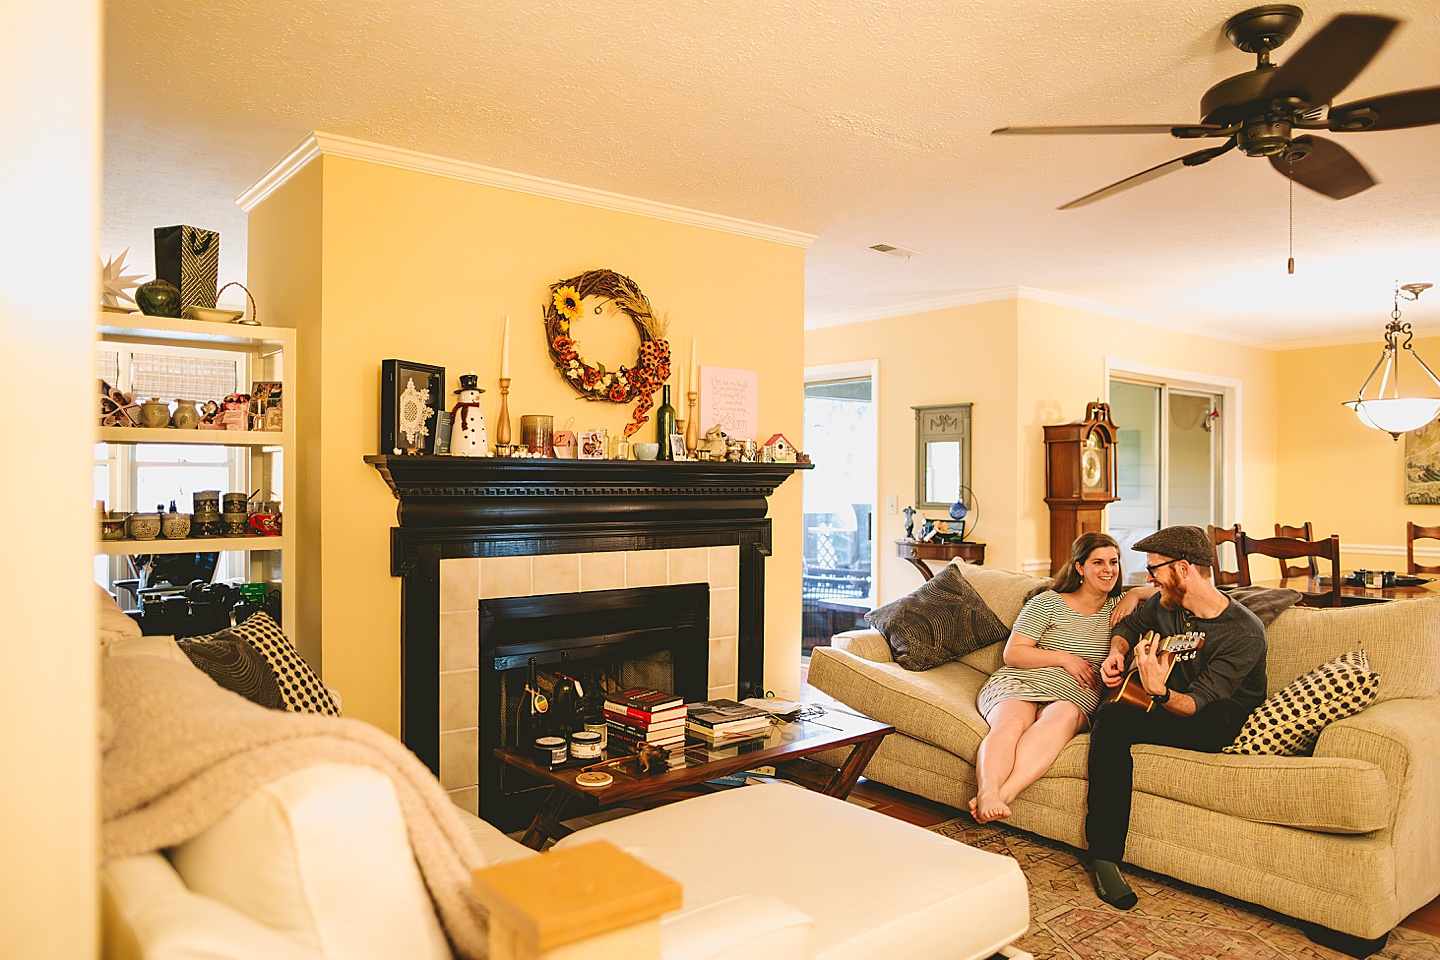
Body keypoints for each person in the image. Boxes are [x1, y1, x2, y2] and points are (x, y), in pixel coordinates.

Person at [1085, 525, 1267, 910]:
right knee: (1111, 717)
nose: (1149, 579)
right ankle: (1105, 857)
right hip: (1164, 703)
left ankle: (1103, 855)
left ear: (1183, 569)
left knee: (1114, 721)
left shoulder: (1244, 633)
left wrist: (1159, 690)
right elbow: (1127, 627)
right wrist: (1116, 654)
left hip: (1214, 721)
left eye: (1155, 571)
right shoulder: (1168, 605)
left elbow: (1195, 705)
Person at [970, 532, 1124, 824]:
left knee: (1061, 719)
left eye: (1114, 562)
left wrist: (1139, 594)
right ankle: (988, 790)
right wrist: (1065, 658)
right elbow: (1013, 653)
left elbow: (1163, 594)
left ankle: (1004, 795)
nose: (1109, 569)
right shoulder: (1048, 603)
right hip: (1022, 679)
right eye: (1098, 562)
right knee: (1012, 723)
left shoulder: (1120, 606)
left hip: (1076, 693)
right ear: (1080, 567)